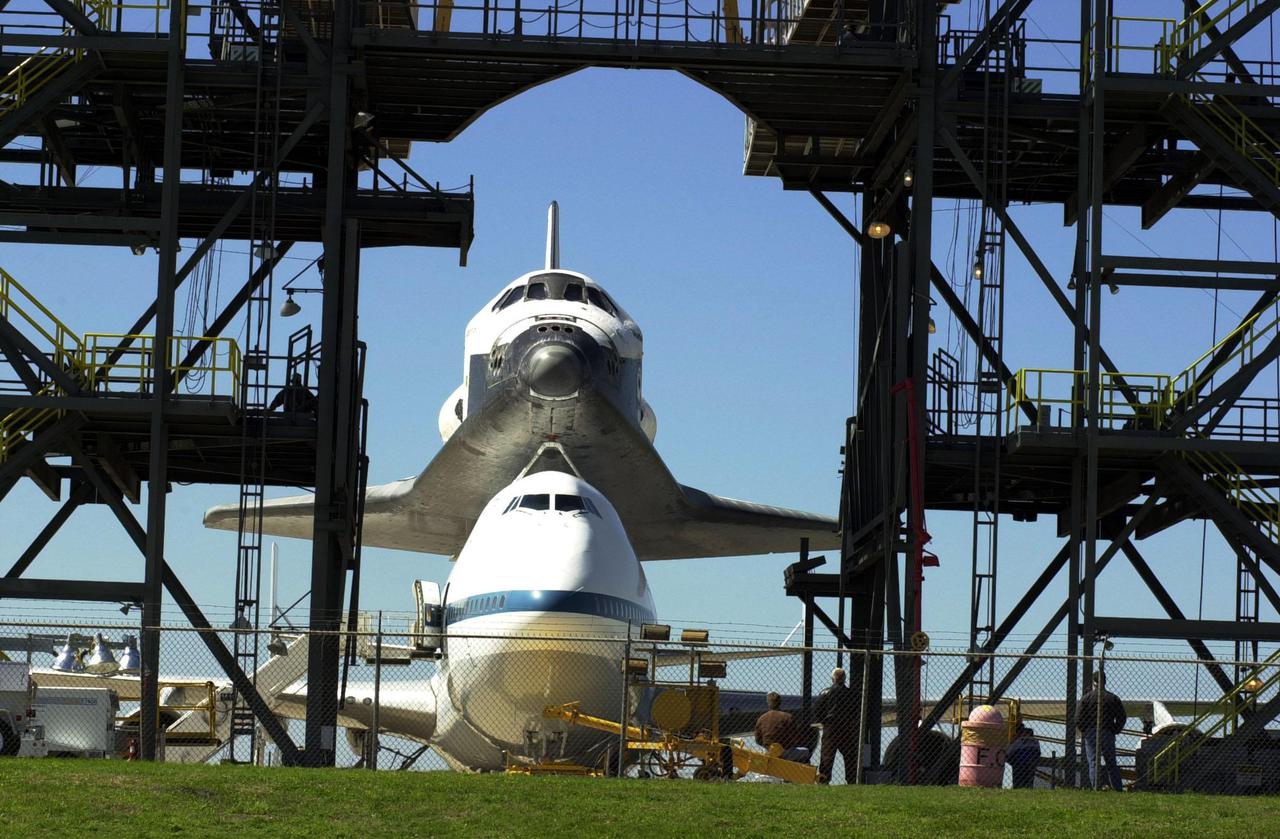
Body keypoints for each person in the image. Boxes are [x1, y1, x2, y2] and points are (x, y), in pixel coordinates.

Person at [1076, 672, 1126, 791]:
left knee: (1093, 761)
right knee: (1111, 762)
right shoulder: (1113, 698)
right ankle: (1117, 788)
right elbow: (1122, 716)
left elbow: (1078, 718)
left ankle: (1096, 786)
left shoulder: (1086, 698)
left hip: (1091, 731)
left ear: (1094, 683)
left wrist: (1085, 730)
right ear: (1105, 681)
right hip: (1108, 731)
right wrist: (1115, 729)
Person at [814, 667, 859, 784]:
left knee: (827, 755)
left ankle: (824, 779)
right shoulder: (851, 693)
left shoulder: (826, 692)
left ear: (832, 678)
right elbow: (856, 711)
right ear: (844, 679)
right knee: (849, 754)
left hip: (830, 727)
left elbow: (817, 709)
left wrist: (823, 721)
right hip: (846, 727)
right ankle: (851, 779)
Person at [754, 691, 810, 764]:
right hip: (784, 752)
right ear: (780, 702)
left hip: (768, 753)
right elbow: (796, 737)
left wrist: (769, 746)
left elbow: (758, 740)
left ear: (768, 703)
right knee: (806, 751)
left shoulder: (761, 718)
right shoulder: (788, 717)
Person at [1006, 723, 1041, 789]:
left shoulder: (1019, 741)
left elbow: (1008, 752)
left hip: (1019, 765)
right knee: (1029, 782)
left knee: (1018, 783)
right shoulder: (1036, 741)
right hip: (1031, 764)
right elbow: (1038, 753)